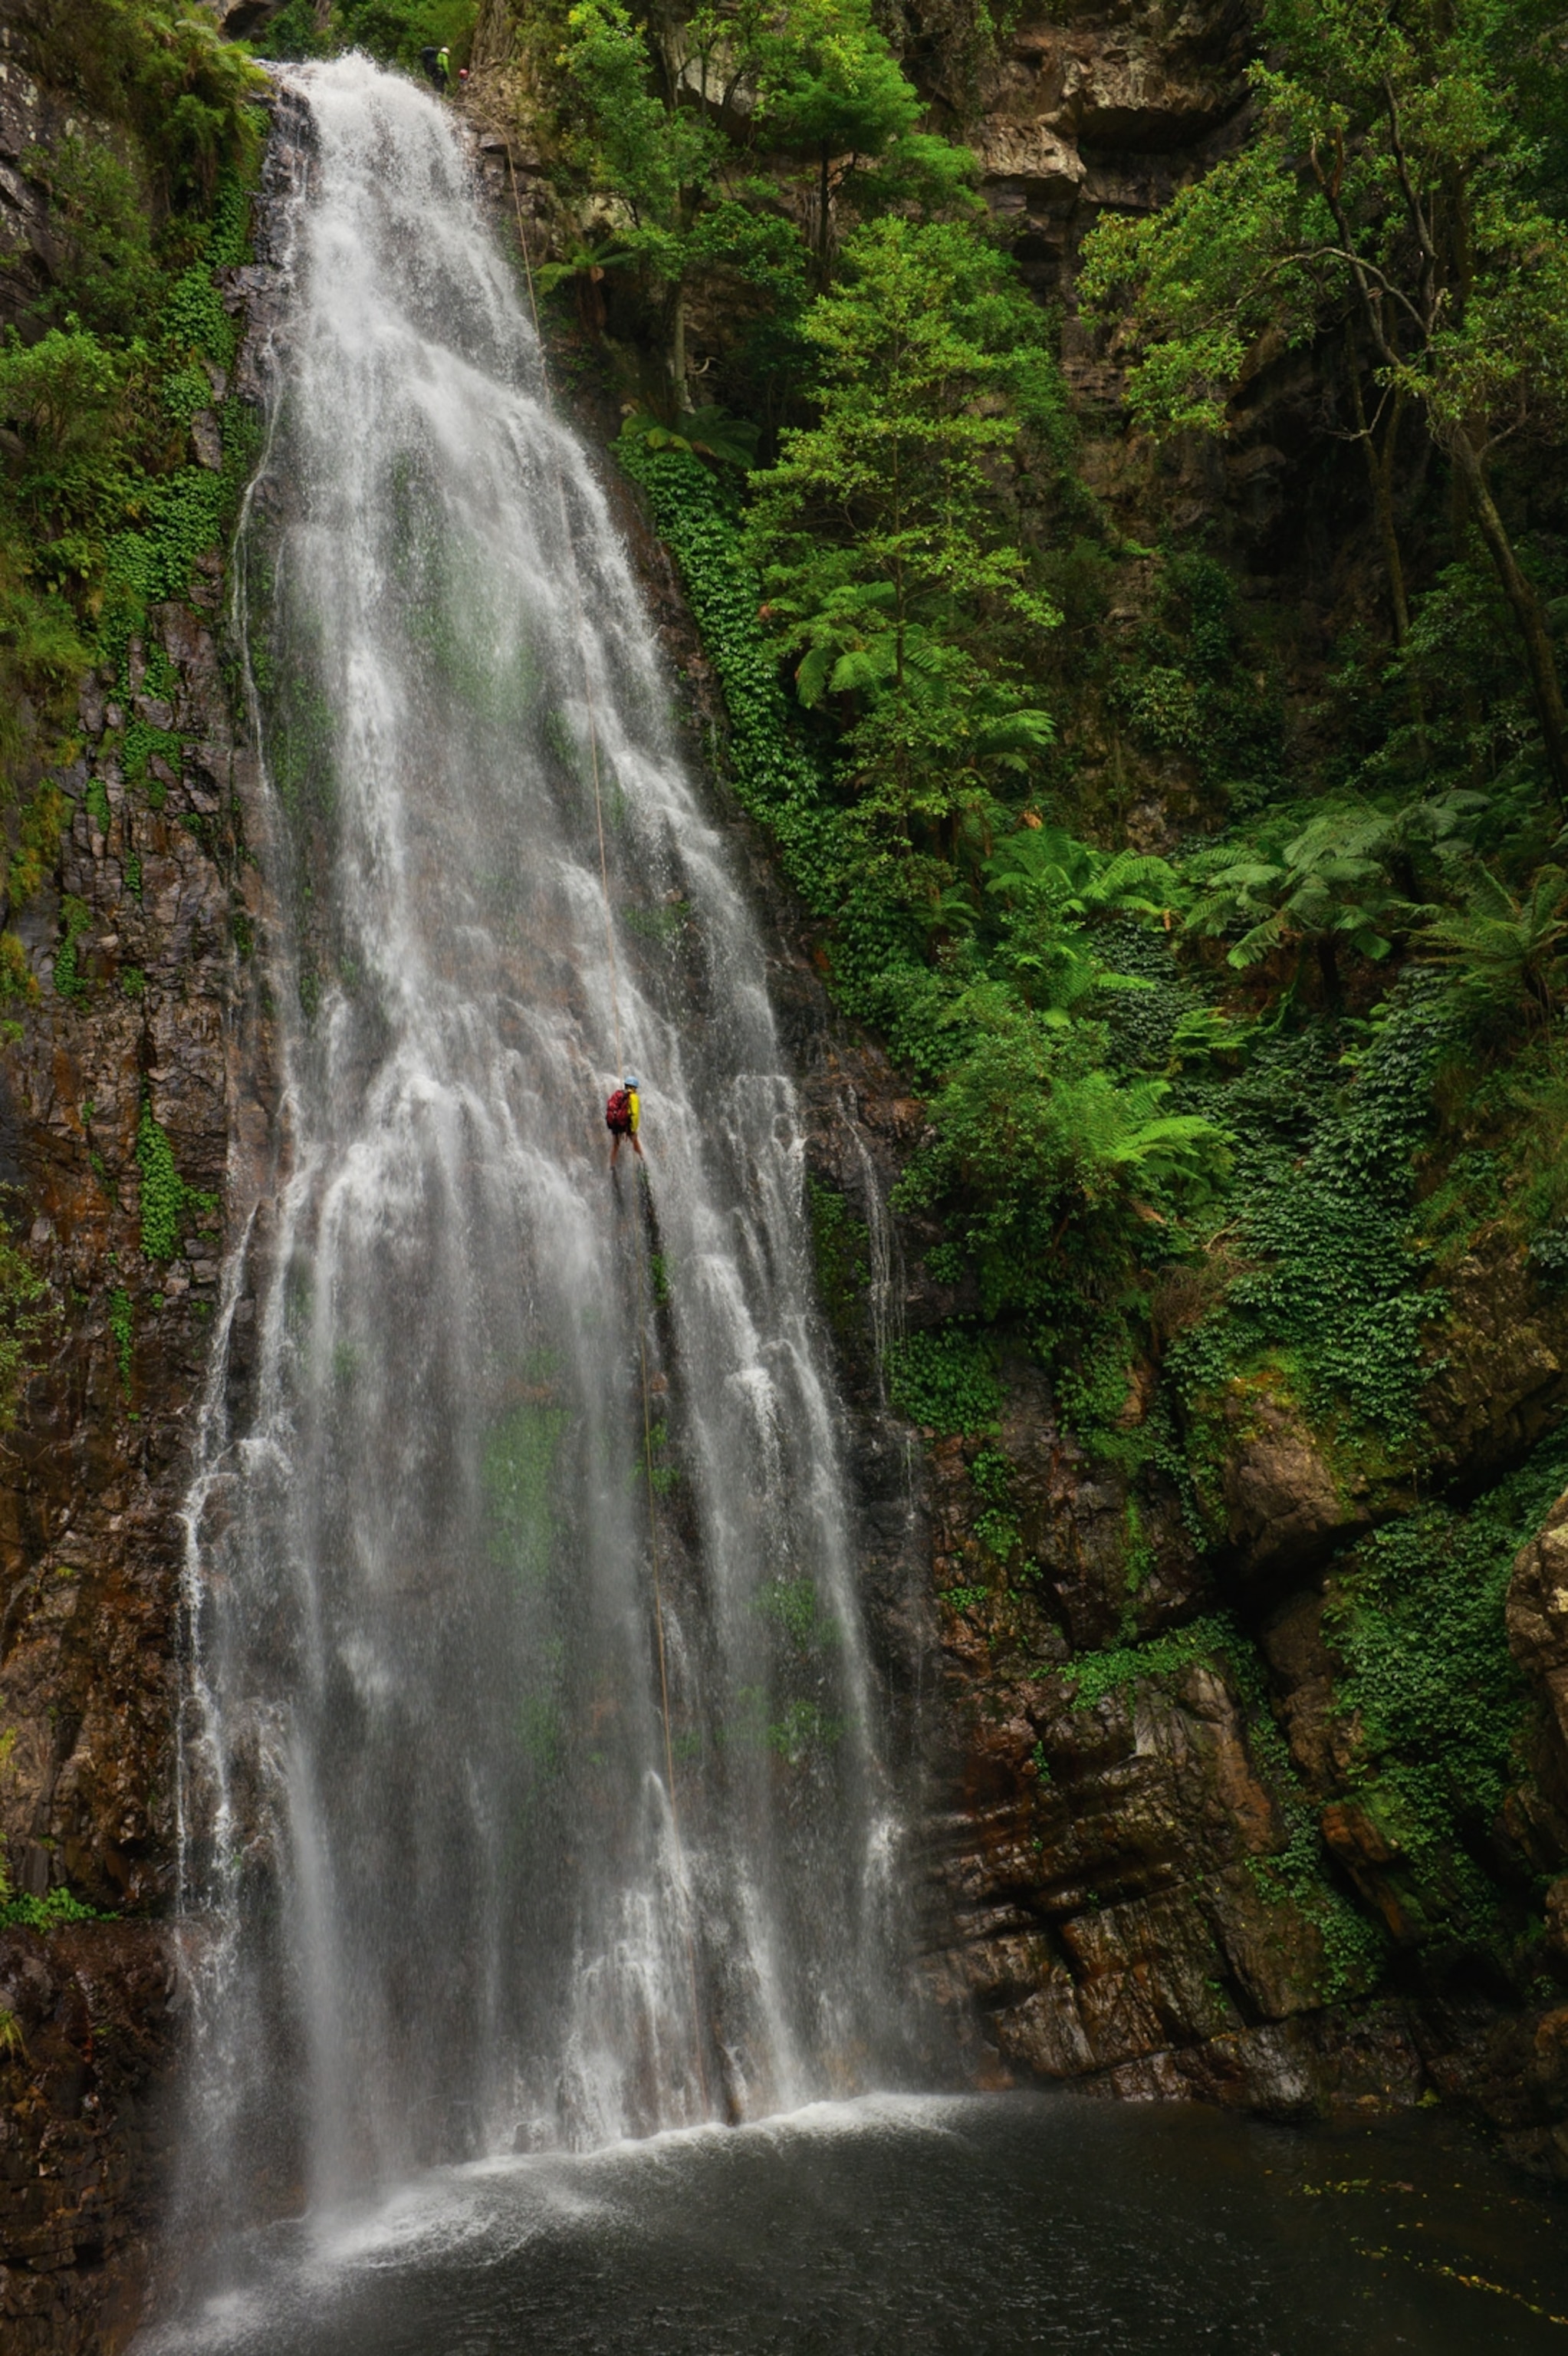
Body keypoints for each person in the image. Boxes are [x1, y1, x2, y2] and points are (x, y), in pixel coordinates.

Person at [606, 1074, 643, 1166]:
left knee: (615, 1146)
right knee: (635, 1142)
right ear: (634, 1087)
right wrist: (633, 1129)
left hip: (616, 1124)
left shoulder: (618, 1094)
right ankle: (643, 1160)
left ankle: (612, 1166)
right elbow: (634, 1115)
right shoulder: (633, 1097)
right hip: (626, 1124)